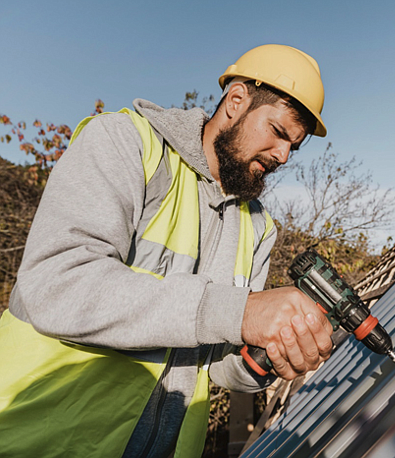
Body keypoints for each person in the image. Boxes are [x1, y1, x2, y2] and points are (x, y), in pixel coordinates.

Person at [0, 44, 333, 458]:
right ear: (236, 102)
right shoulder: (126, 144)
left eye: (293, 147)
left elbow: (217, 365)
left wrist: (266, 356)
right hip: (36, 441)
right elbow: (55, 285)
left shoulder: (258, 226)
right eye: (279, 132)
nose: (283, 156)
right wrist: (240, 311)